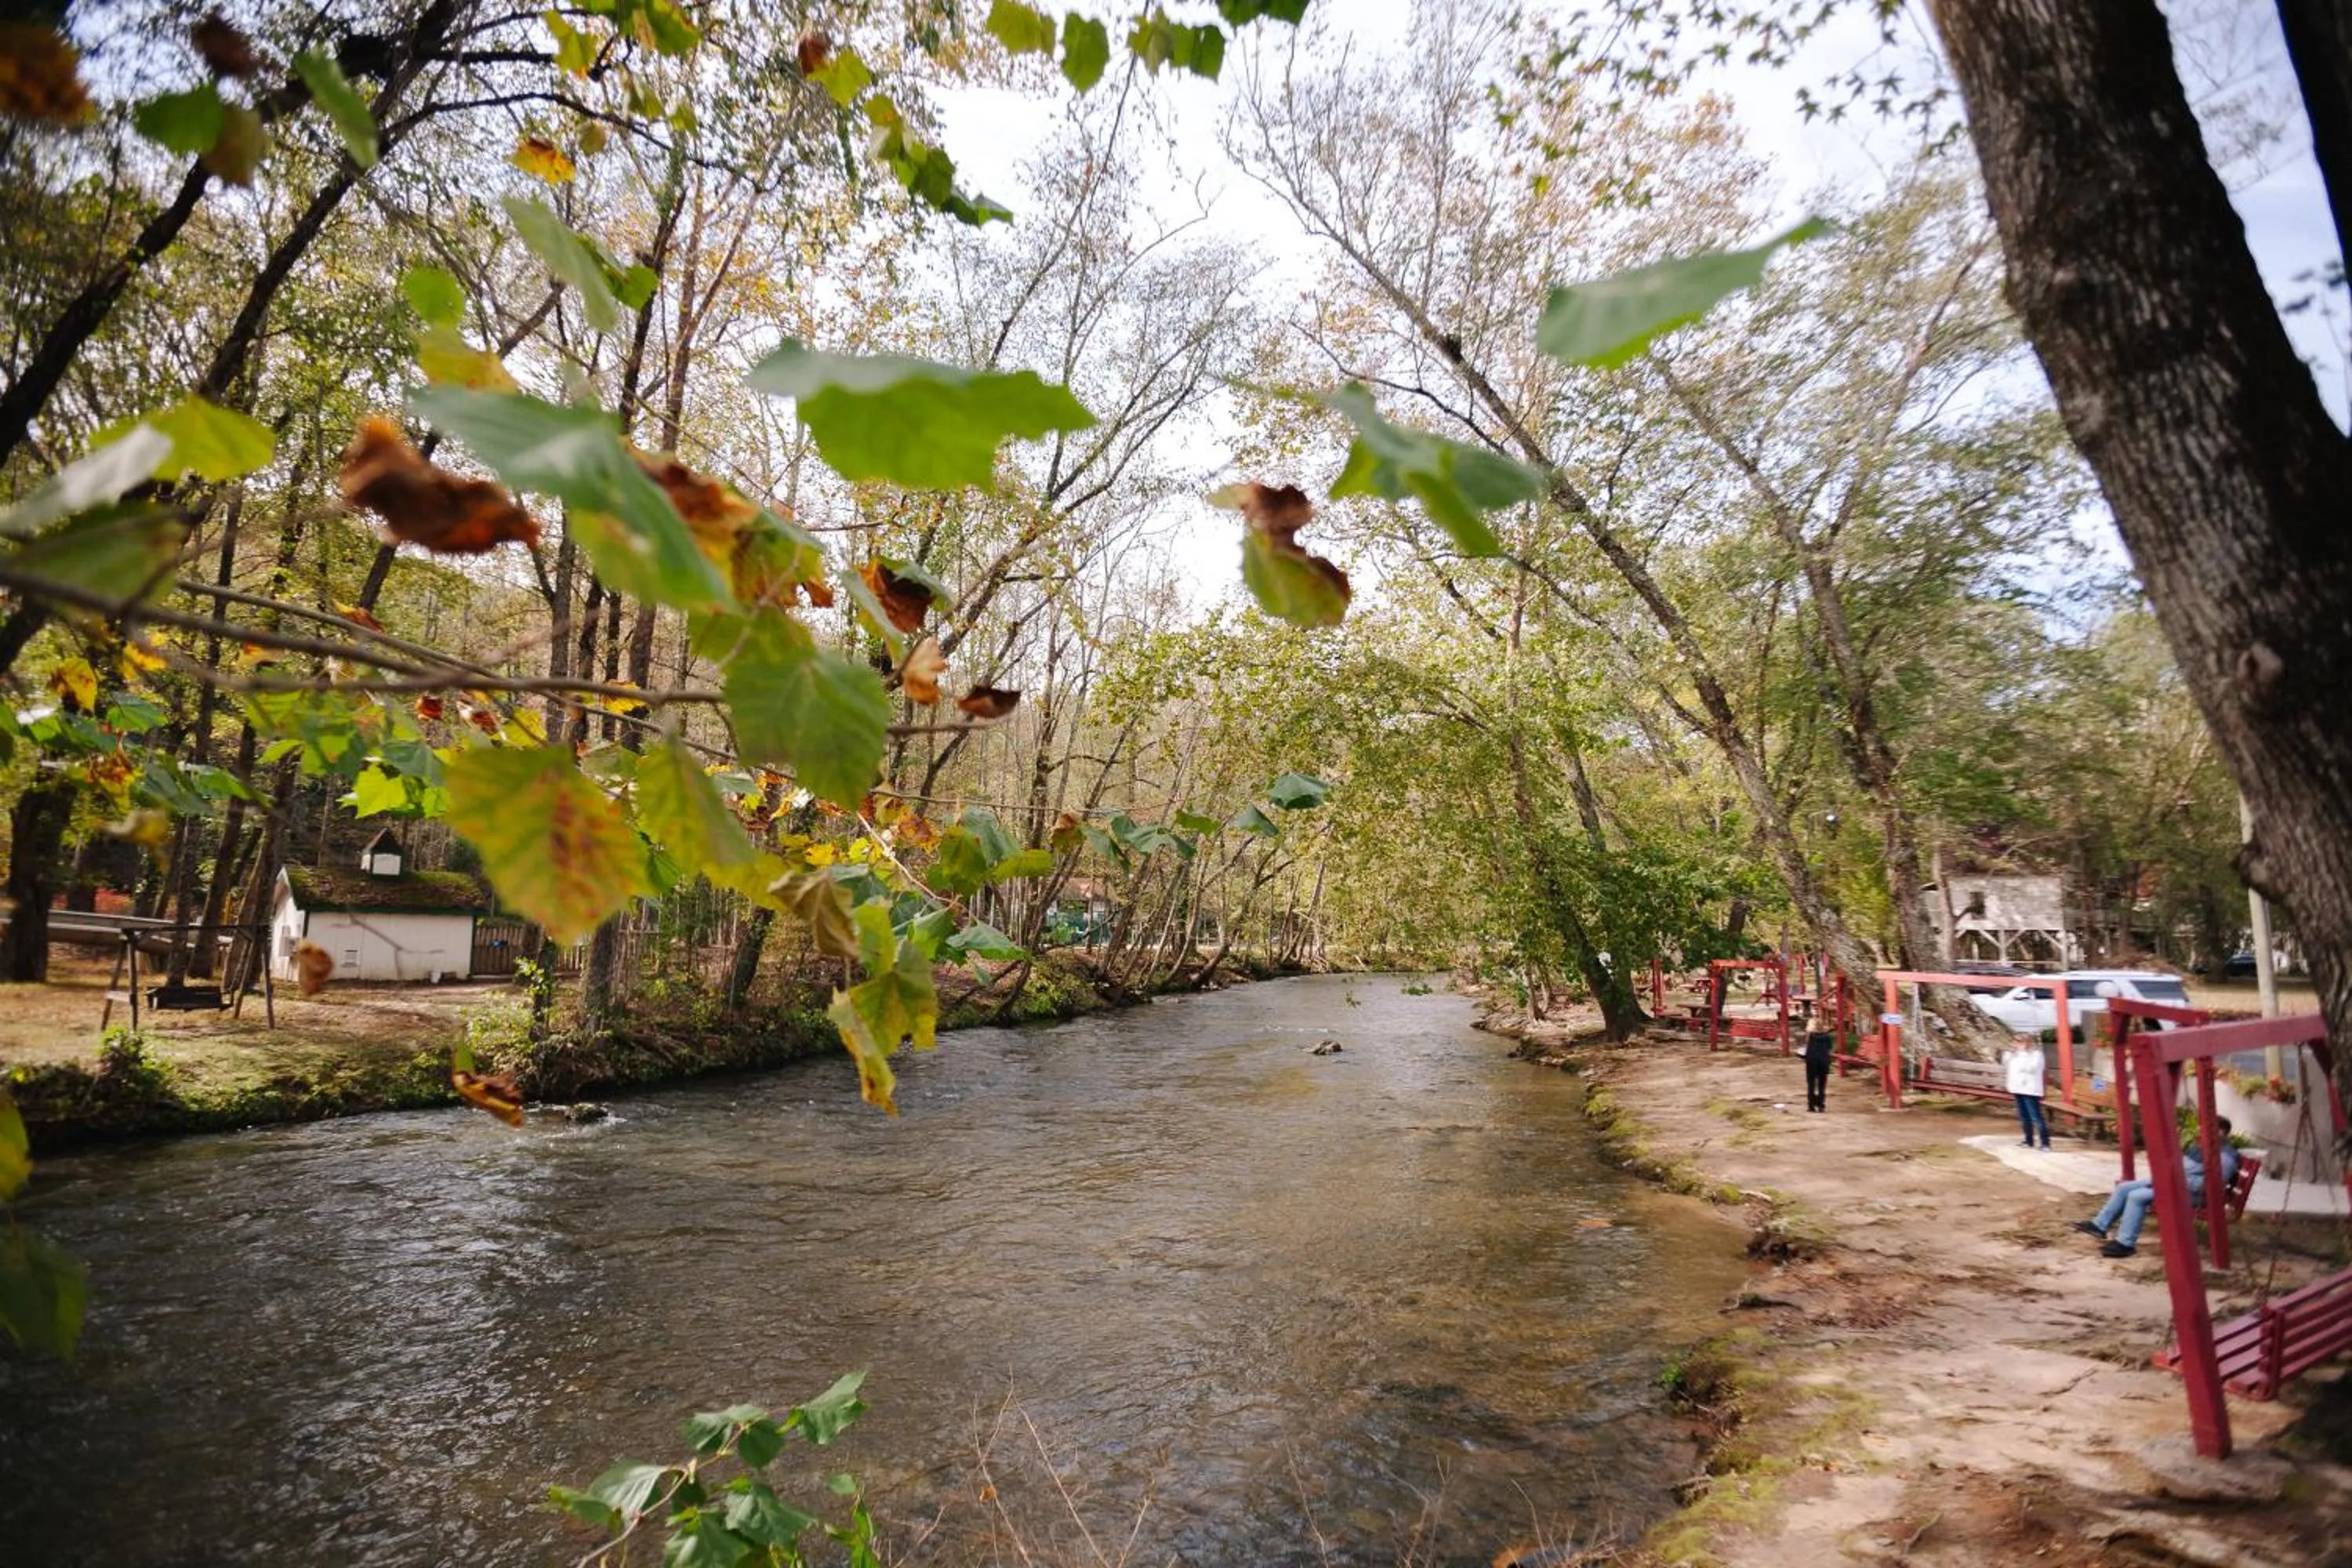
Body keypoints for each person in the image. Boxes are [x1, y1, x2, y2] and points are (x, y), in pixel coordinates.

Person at [2074, 1115, 2241, 1258]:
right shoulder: (2203, 1148)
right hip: (2174, 1185)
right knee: (2125, 1187)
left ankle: (2125, 1244)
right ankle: (2099, 1226)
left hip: (2194, 1196)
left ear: (2221, 1133)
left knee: (2137, 1196)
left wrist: (2173, 1180)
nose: (2201, 1131)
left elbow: (2211, 1186)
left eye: (2206, 1129)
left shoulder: (2225, 1157)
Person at [2005, 1036, 2051, 1150]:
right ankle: (2028, 1141)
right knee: (2024, 1117)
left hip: (2031, 1090)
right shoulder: (2015, 1055)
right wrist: (2012, 1053)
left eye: (2020, 1041)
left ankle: (2045, 1144)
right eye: (2016, 1041)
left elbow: (2031, 1068)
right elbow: (2007, 1064)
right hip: (2018, 1088)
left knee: (2036, 1117)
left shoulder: (2036, 1055)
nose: (2017, 1044)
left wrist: (2022, 1054)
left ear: (2028, 1042)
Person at [1802, 1007, 1834, 1112]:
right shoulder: (1828, 1037)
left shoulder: (1810, 1037)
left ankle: (1811, 1105)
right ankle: (1821, 1105)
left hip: (1812, 1062)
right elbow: (1829, 1049)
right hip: (1823, 1062)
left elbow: (1806, 1049)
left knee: (1811, 1084)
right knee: (1822, 1084)